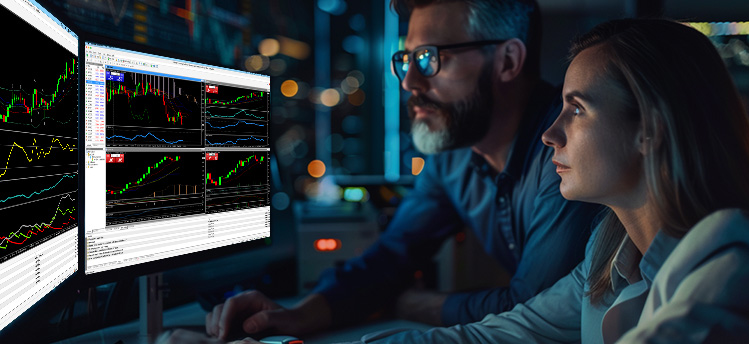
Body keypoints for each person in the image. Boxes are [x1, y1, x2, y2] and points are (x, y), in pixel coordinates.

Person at [358, 18, 749, 343]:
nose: (549, 134)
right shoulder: (611, 251)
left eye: (577, 110)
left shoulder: (745, 257)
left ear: (650, 129)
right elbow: (503, 334)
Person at [177, 0, 604, 342]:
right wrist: (298, 315)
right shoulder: (452, 154)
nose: (410, 82)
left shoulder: (566, 148)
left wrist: (413, 304)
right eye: (406, 59)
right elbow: (393, 255)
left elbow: (532, 311)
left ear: (508, 61)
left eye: (430, 58)